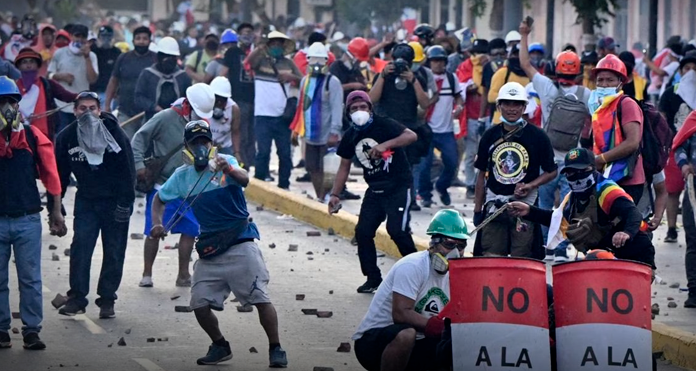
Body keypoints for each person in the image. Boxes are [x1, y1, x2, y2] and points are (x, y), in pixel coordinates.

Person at [149, 120, 288, 367]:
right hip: (211, 246)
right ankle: (220, 345)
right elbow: (159, 199)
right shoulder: (181, 176)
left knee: (260, 298)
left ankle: (276, 348)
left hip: (240, 242)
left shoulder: (226, 163)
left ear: (212, 143)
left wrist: (229, 170)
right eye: (195, 142)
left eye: (205, 141)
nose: (201, 146)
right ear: (187, 147)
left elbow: (245, 180)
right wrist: (157, 223)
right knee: (199, 303)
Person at [353, 209, 470, 371]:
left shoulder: (458, 277)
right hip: (375, 343)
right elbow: (401, 314)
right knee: (406, 334)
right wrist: (437, 327)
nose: (456, 253)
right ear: (434, 242)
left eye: (461, 246)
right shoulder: (412, 266)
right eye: (449, 244)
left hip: (420, 342)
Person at [54, 91, 135, 318]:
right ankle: (77, 298)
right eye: (82, 109)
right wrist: (56, 205)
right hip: (87, 200)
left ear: (99, 111)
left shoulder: (115, 134)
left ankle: (107, 300)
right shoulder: (67, 137)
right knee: (81, 247)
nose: (87, 113)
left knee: (114, 251)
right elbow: (59, 174)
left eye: (92, 108)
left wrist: (125, 203)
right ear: (74, 111)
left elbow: (128, 171)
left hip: (115, 200)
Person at [328, 91, 418, 293]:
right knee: (363, 232)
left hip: (398, 185)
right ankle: (373, 277)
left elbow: (411, 135)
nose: (359, 112)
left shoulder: (384, 124)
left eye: (363, 107)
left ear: (370, 109)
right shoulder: (350, 136)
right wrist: (334, 194)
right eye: (354, 109)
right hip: (375, 188)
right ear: (348, 113)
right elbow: (344, 167)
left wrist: (386, 144)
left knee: (397, 230)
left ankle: (421, 273)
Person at [0, 76, 66, 350]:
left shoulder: (30, 136)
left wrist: (56, 212)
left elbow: (51, 175)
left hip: (27, 219)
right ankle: (2, 329)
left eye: (11, 102)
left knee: (31, 279)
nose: (6, 108)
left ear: (18, 106)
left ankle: (31, 329)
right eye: (1, 102)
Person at [509, 147, 656, 269]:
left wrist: (626, 233)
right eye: (571, 173)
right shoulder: (573, 197)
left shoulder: (607, 190)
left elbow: (633, 213)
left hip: (636, 251)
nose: (577, 176)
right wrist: (529, 211)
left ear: (592, 168)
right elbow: (558, 220)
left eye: (581, 170)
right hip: (604, 253)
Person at [518, 21, 591, 261]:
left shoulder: (547, 87)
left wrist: (524, 35)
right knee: (567, 207)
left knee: (544, 205)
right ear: (578, 72)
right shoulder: (586, 94)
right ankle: (561, 250)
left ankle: (546, 248)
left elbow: (525, 64)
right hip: (574, 161)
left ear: (556, 69)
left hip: (548, 159)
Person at [131, 83, 215, 288]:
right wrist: (139, 165)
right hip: (164, 184)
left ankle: (183, 274)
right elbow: (139, 139)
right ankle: (147, 273)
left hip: (190, 185)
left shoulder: (202, 124)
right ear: (188, 106)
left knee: (191, 230)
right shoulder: (165, 117)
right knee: (154, 229)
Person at [473, 82, 557, 258]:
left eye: (517, 104)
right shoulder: (489, 136)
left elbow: (552, 171)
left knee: (522, 258)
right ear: (499, 106)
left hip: (525, 206)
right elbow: (481, 175)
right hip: (494, 205)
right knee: (491, 256)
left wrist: (530, 186)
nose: (512, 109)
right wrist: (477, 210)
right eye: (507, 104)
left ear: (524, 106)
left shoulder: (538, 136)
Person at [369, 43, 431, 211]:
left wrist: (413, 80)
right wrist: (382, 76)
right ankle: (384, 198)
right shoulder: (383, 76)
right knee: (384, 167)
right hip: (386, 128)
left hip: (407, 129)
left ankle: (409, 199)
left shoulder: (417, 78)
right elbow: (372, 99)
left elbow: (425, 103)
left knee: (408, 167)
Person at [245, 30, 301, 190]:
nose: (276, 46)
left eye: (279, 44)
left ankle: (284, 185)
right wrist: (259, 47)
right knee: (262, 153)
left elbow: (303, 80)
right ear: (268, 45)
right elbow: (248, 63)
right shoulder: (260, 62)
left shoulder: (289, 63)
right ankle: (260, 186)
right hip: (262, 115)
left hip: (283, 116)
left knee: (284, 153)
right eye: (273, 43)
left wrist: (291, 78)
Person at [586, 54, 645, 203]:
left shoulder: (626, 104)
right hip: (605, 177)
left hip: (627, 179)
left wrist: (602, 159)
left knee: (624, 225)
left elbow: (632, 142)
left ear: (620, 83)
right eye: (600, 80)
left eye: (610, 80)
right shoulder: (598, 107)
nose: (604, 84)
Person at [290, 42, 343, 201]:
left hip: (327, 134)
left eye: (321, 61)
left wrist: (335, 132)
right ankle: (320, 196)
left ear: (326, 62)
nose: (317, 65)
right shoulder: (304, 81)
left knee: (328, 169)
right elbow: (301, 106)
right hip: (310, 134)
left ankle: (325, 196)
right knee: (312, 168)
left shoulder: (332, 82)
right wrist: (296, 129)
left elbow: (336, 107)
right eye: (314, 61)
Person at [418, 45, 464, 208]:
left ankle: (442, 187)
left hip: (446, 130)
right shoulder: (423, 79)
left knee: (452, 162)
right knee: (425, 164)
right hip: (427, 129)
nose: (438, 64)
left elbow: (459, 97)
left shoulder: (451, 79)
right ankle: (425, 194)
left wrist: (459, 107)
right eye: (434, 61)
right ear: (429, 62)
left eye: (441, 61)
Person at [660, 50, 696, 243]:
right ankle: (672, 228)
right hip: (674, 147)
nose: (691, 73)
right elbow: (662, 119)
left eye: (694, 69)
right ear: (681, 71)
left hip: (695, 151)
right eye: (687, 68)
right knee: (672, 191)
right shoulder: (671, 93)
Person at [105, 26, 157, 139]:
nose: (141, 41)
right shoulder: (123, 58)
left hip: (148, 113)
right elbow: (114, 81)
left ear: (149, 41)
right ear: (133, 41)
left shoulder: (155, 59)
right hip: (125, 111)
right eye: (138, 38)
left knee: (145, 146)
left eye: (145, 38)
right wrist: (107, 105)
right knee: (126, 144)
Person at [14, 48, 78, 140]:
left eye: (31, 62)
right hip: (19, 135)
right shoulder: (13, 87)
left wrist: (83, 96)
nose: (28, 65)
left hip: (44, 136)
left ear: (37, 65)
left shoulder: (47, 84)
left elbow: (67, 96)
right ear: (19, 66)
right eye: (24, 62)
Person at [47, 24, 99, 133]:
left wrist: (87, 58)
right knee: (62, 135)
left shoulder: (92, 56)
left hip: (83, 106)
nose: (79, 39)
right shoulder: (60, 53)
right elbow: (48, 75)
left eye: (83, 36)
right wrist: (60, 76)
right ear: (70, 36)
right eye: (77, 36)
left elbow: (92, 79)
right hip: (61, 105)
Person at [455, 38, 489, 198]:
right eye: (475, 53)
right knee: (470, 154)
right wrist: (471, 87)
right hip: (470, 117)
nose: (478, 56)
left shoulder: (491, 66)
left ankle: (483, 185)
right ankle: (470, 185)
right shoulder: (464, 66)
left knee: (486, 154)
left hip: (489, 116)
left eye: (481, 52)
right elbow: (460, 87)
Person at [220, 23, 255, 170]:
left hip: (256, 99)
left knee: (252, 133)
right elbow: (224, 72)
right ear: (239, 35)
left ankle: (251, 162)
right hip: (238, 97)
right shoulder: (232, 52)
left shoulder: (257, 53)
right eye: (245, 32)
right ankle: (243, 163)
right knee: (242, 131)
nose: (248, 35)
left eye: (250, 32)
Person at [135, 36, 191, 121]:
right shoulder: (147, 74)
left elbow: (189, 99)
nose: (169, 60)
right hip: (152, 120)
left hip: (177, 121)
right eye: (165, 56)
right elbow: (138, 97)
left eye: (172, 57)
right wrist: (154, 107)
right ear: (158, 57)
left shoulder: (182, 76)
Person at [672, 110, 696, 308]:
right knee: (694, 239)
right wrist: (684, 165)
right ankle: (694, 291)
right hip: (693, 189)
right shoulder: (694, 118)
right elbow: (679, 146)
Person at [488, 44, 530, 124]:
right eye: (515, 54)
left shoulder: (530, 75)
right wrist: (512, 97)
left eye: (521, 54)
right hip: (500, 122)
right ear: (510, 55)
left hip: (523, 123)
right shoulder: (502, 73)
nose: (518, 57)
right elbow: (491, 96)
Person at [89, 26, 121, 110]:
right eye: (103, 36)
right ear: (99, 37)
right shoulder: (93, 51)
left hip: (110, 93)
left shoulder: (117, 53)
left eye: (108, 36)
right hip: (94, 91)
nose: (106, 39)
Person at [208, 76, 241, 156]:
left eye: (222, 100)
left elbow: (235, 132)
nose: (219, 103)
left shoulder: (234, 109)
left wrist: (237, 153)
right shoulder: (204, 105)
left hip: (224, 147)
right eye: (217, 99)